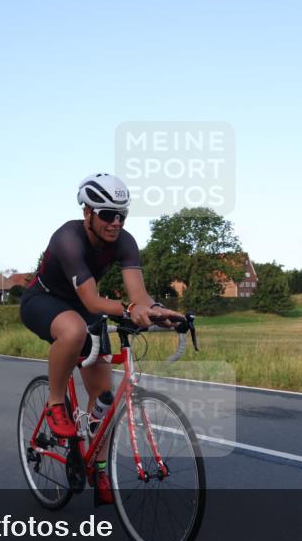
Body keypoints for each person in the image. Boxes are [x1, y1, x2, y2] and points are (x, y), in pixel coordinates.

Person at [20, 173, 183, 504]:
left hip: (84, 306)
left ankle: (100, 466)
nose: (115, 222)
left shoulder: (125, 241)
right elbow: (95, 302)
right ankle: (54, 404)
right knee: (74, 329)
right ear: (88, 213)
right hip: (44, 300)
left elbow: (139, 296)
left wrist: (161, 312)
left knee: (104, 399)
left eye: (121, 214)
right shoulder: (69, 238)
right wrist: (128, 308)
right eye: (107, 214)